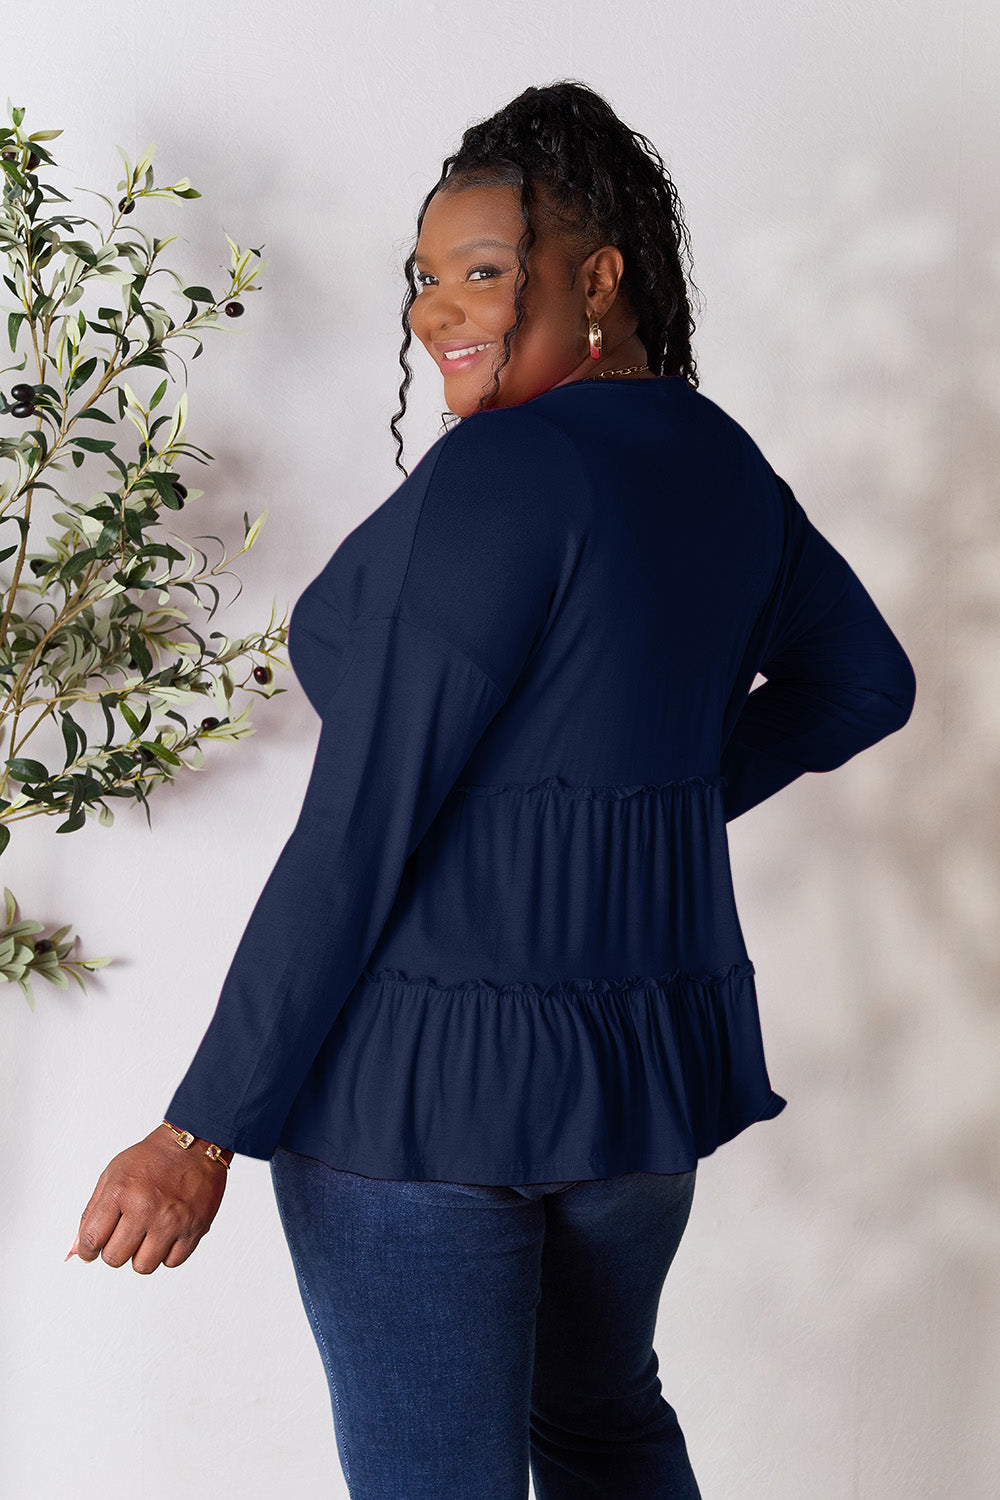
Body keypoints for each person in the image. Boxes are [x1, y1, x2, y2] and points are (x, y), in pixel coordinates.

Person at [67, 80, 917, 1500]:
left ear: (598, 277)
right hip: (634, 1084)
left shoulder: (510, 474)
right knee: (606, 1430)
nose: (438, 312)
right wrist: (644, 807)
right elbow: (863, 685)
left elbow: (357, 833)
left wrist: (196, 1129)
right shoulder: (714, 459)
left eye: (482, 271)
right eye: (424, 279)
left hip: (418, 1094)